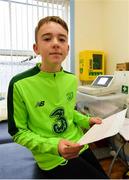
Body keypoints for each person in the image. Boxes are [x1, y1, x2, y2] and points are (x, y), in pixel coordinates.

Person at [7, 16, 108, 179]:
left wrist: (86, 121)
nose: (55, 43)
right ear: (36, 48)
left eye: (61, 39)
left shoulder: (71, 79)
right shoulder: (19, 84)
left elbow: (68, 113)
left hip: (80, 144)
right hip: (51, 156)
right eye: (47, 38)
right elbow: (18, 132)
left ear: (67, 49)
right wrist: (55, 146)